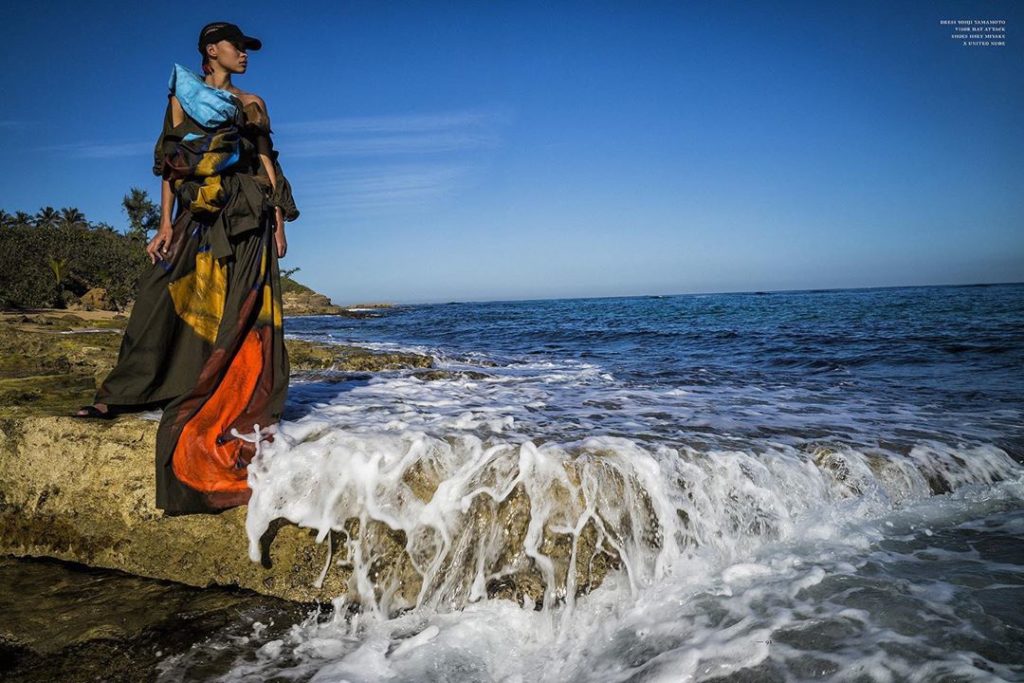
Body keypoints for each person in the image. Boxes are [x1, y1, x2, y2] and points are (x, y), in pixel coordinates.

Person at [73, 21, 299, 515]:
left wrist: (279, 223)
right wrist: (164, 225)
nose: (245, 54)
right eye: (238, 47)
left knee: (244, 312)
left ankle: (227, 391)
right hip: (200, 211)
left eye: (247, 49)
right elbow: (171, 164)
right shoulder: (183, 97)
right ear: (212, 50)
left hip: (250, 215)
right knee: (161, 295)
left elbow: (267, 163)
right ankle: (126, 390)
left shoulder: (253, 102)